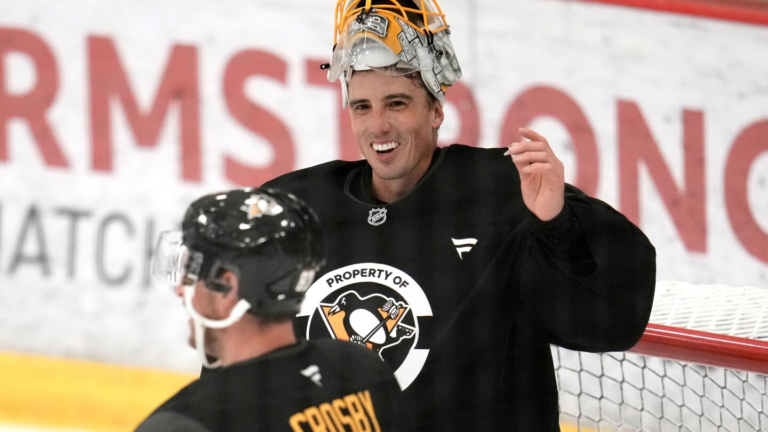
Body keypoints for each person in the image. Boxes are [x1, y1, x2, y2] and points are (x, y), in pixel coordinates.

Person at [263, 0, 657, 430]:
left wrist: (558, 223)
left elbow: (612, 322)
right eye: (362, 107)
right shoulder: (299, 205)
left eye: (397, 103)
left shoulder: (499, 194)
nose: (378, 126)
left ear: (436, 110)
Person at [136, 188, 404, 432]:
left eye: (191, 274)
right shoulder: (361, 370)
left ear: (227, 287)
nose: (180, 289)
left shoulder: (186, 422)